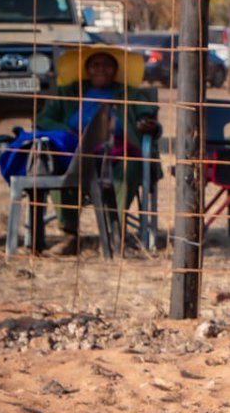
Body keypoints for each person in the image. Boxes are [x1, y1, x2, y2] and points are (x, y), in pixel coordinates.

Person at [33, 45, 161, 255]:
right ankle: (70, 236)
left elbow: (148, 119)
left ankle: (113, 236)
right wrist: (67, 131)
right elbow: (43, 119)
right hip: (76, 150)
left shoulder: (129, 93)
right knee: (60, 163)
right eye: (95, 65)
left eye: (107, 65)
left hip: (117, 151)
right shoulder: (69, 92)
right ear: (87, 69)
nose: (101, 69)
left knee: (130, 166)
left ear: (115, 70)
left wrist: (147, 125)